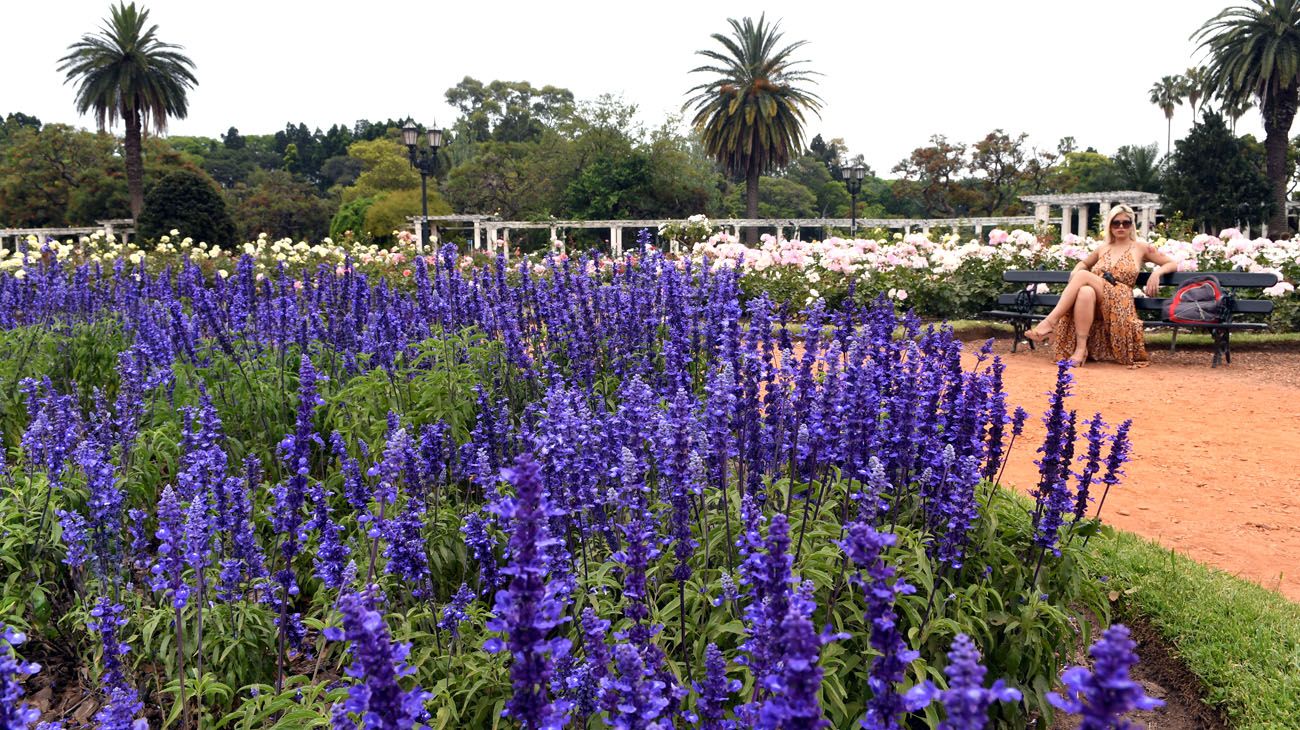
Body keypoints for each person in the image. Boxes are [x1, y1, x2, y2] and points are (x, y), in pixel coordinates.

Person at [1024, 204, 1178, 367]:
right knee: (1085, 291)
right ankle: (1081, 349)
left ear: (1132, 225)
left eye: (1125, 223)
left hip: (1120, 300)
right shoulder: (1103, 248)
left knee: (1084, 277)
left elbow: (1171, 263)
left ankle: (1050, 323)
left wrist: (1156, 273)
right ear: (1109, 225)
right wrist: (1076, 269)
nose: (1120, 227)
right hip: (1098, 300)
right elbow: (1084, 263)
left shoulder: (1140, 247)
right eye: (1115, 223)